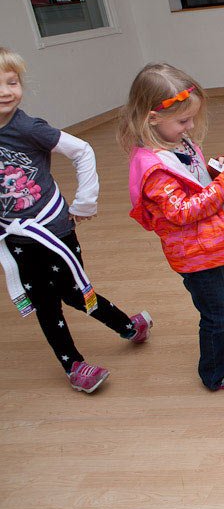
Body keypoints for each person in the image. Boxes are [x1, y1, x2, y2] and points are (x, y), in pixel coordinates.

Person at [0, 47, 151, 393]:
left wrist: (84, 202)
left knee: (71, 292)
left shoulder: (28, 128)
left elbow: (81, 150)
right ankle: (73, 365)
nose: (6, 91)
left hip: (52, 229)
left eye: (12, 82)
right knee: (43, 301)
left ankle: (127, 325)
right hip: (14, 237)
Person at [121, 63, 224, 391]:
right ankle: (217, 372)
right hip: (196, 255)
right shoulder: (153, 169)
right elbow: (184, 211)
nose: (191, 126)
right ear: (152, 118)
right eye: (183, 120)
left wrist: (214, 171)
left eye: (192, 118)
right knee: (218, 316)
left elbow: (193, 184)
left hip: (215, 242)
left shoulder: (179, 144)